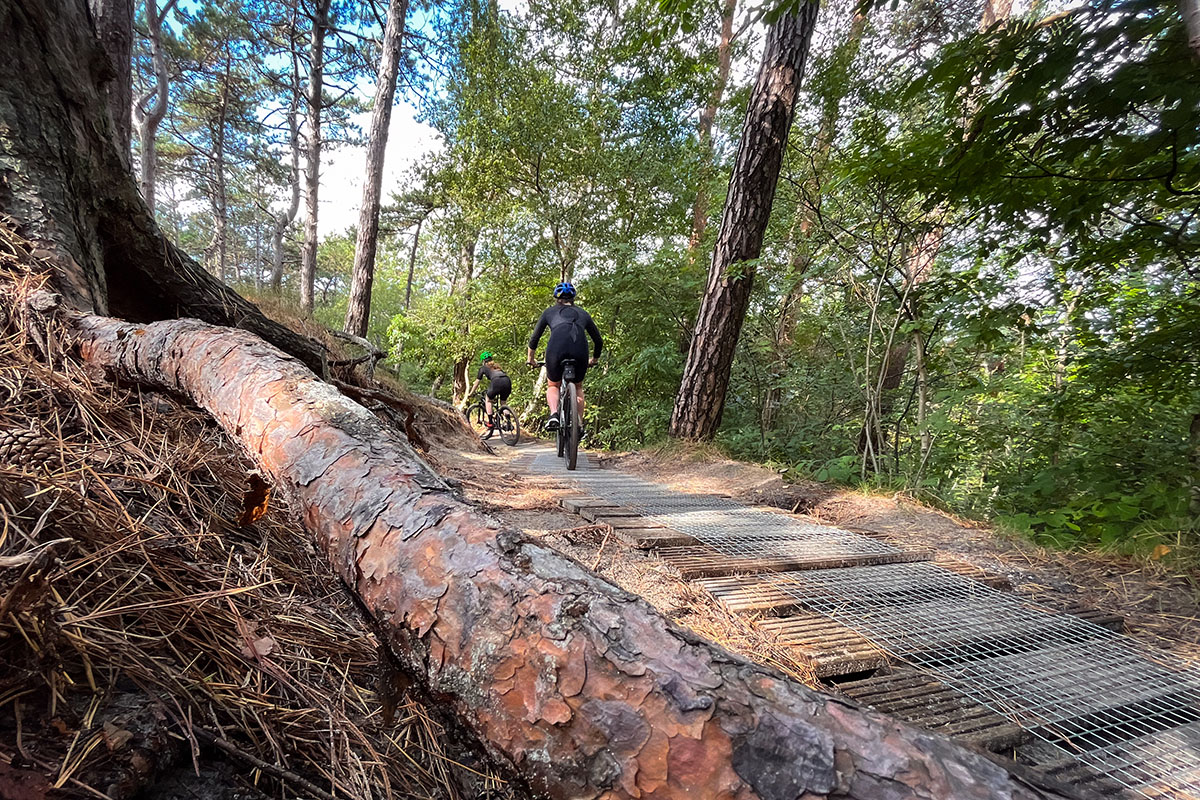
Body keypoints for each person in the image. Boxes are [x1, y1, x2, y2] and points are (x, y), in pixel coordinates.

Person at [526, 281, 602, 430]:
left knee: (553, 385)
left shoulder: (549, 312)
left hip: (556, 349)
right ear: (573, 299)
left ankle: (554, 415)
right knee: (578, 387)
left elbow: (534, 339)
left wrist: (531, 359)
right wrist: (594, 359)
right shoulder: (583, 313)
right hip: (580, 350)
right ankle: (579, 424)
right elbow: (598, 341)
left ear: (556, 298)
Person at [466, 351, 512, 437]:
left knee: (488, 400)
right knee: (503, 403)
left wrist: (470, 393)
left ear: (483, 361)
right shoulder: (497, 366)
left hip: (496, 382)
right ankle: (509, 422)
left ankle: (490, 422)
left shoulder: (483, 368)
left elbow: (476, 383)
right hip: (507, 381)